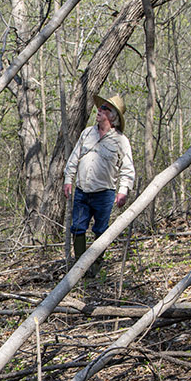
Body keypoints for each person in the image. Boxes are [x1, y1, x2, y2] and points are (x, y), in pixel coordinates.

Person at [63, 93, 135, 277]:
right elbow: (74, 158)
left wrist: (123, 190)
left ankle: (95, 267)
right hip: (81, 191)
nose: (100, 111)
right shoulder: (87, 133)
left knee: (101, 231)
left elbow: (127, 168)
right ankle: (79, 266)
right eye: (100, 107)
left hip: (104, 193)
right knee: (78, 227)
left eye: (105, 109)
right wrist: (68, 179)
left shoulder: (121, 140)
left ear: (113, 116)